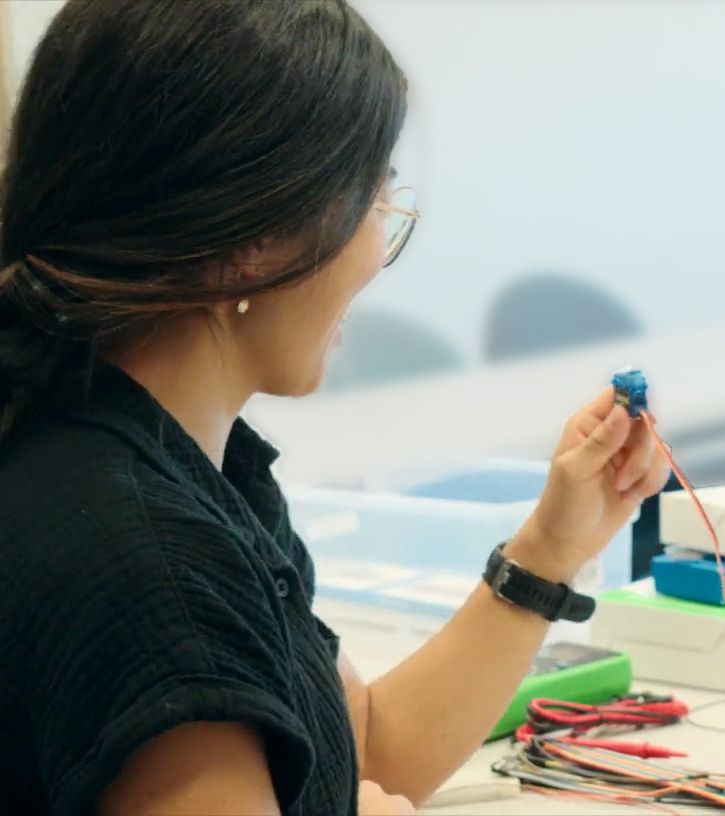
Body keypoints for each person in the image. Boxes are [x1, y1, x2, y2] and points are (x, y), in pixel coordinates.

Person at [0, 2, 670, 813]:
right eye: (372, 201)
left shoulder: (160, 457)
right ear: (251, 235)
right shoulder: (150, 568)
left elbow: (366, 745)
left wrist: (549, 552)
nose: (374, 252)